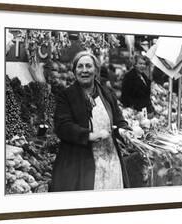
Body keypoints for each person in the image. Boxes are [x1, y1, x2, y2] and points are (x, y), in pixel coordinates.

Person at [49, 51, 131, 192]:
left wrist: (124, 131)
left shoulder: (107, 94)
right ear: (74, 71)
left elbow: (118, 120)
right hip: (80, 162)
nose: (84, 70)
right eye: (80, 66)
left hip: (110, 159)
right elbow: (62, 126)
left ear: (96, 70)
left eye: (89, 66)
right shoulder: (67, 96)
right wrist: (89, 135)